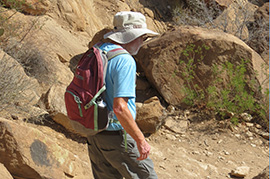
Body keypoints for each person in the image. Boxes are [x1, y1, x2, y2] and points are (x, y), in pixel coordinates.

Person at [87, 11, 159, 179]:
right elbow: (120, 108)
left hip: (95, 133)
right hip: (118, 137)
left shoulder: (97, 51)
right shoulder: (124, 60)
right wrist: (141, 140)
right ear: (130, 36)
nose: (142, 42)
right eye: (142, 37)